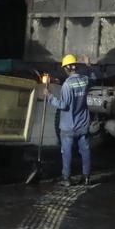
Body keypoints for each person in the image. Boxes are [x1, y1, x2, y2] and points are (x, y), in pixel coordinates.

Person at [47, 53, 92, 186]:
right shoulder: (84, 80)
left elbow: (63, 105)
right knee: (85, 150)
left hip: (68, 126)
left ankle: (66, 179)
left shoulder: (67, 85)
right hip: (83, 124)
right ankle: (86, 177)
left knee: (67, 153)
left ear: (66, 68)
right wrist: (89, 65)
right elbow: (92, 76)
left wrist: (49, 97)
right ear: (76, 67)